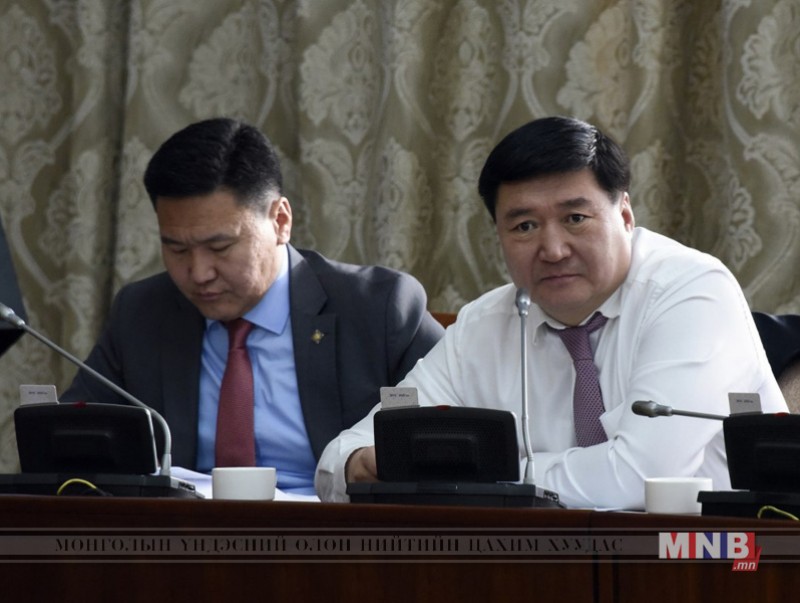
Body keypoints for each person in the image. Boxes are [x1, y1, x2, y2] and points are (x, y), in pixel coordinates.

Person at [315, 116, 788, 509]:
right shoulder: (487, 323)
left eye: (575, 218)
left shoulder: (692, 292)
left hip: (718, 558)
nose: (554, 249)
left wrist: (478, 480)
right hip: (545, 561)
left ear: (625, 215)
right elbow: (341, 456)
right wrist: (360, 463)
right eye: (524, 226)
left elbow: (640, 477)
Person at [61, 117, 444, 495]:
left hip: (332, 528)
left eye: (219, 247)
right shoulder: (143, 312)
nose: (199, 273)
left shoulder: (380, 308)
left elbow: (451, 433)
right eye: (176, 249)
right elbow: (67, 444)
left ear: (280, 221)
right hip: (186, 530)